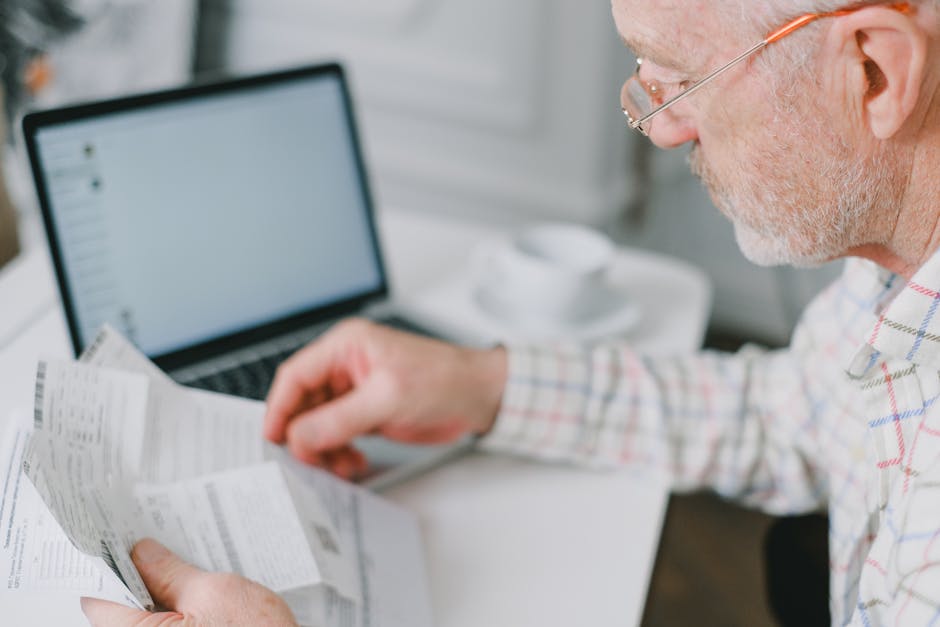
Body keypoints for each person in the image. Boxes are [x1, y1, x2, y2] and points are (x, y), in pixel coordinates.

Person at [82, 0, 940, 624]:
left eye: (680, 77)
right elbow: (787, 413)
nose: (665, 127)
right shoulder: (893, 269)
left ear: (872, 70)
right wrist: (482, 382)